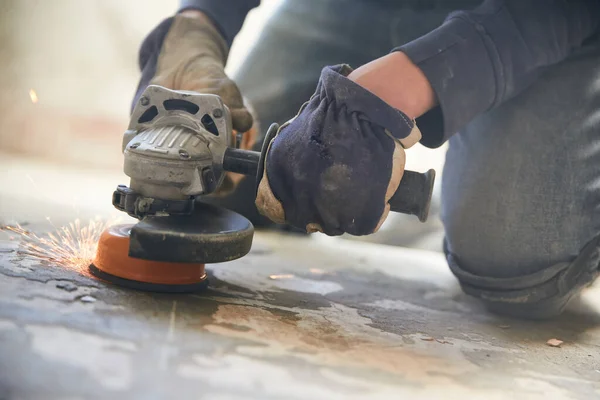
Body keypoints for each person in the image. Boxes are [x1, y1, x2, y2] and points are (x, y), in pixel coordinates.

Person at [133, 0, 600, 318]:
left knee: (515, 263)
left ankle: (448, 204)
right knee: (232, 189)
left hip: (537, 18)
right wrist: (201, 21)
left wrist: (396, 88)